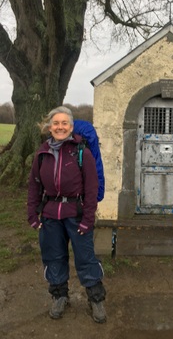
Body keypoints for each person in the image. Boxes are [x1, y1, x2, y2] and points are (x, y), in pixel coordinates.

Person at [27, 106, 106, 323]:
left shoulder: (82, 152)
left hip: (77, 214)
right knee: (53, 257)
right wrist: (33, 215)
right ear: (49, 126)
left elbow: (91, 189)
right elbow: (34, 186)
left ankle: (96, 299)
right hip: (51, 215)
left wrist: (88, 219)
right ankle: (60, 296)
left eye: (64, 123)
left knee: (85, 257)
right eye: (56, 123)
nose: (60, 127)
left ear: (71, 127)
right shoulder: (42, 153)